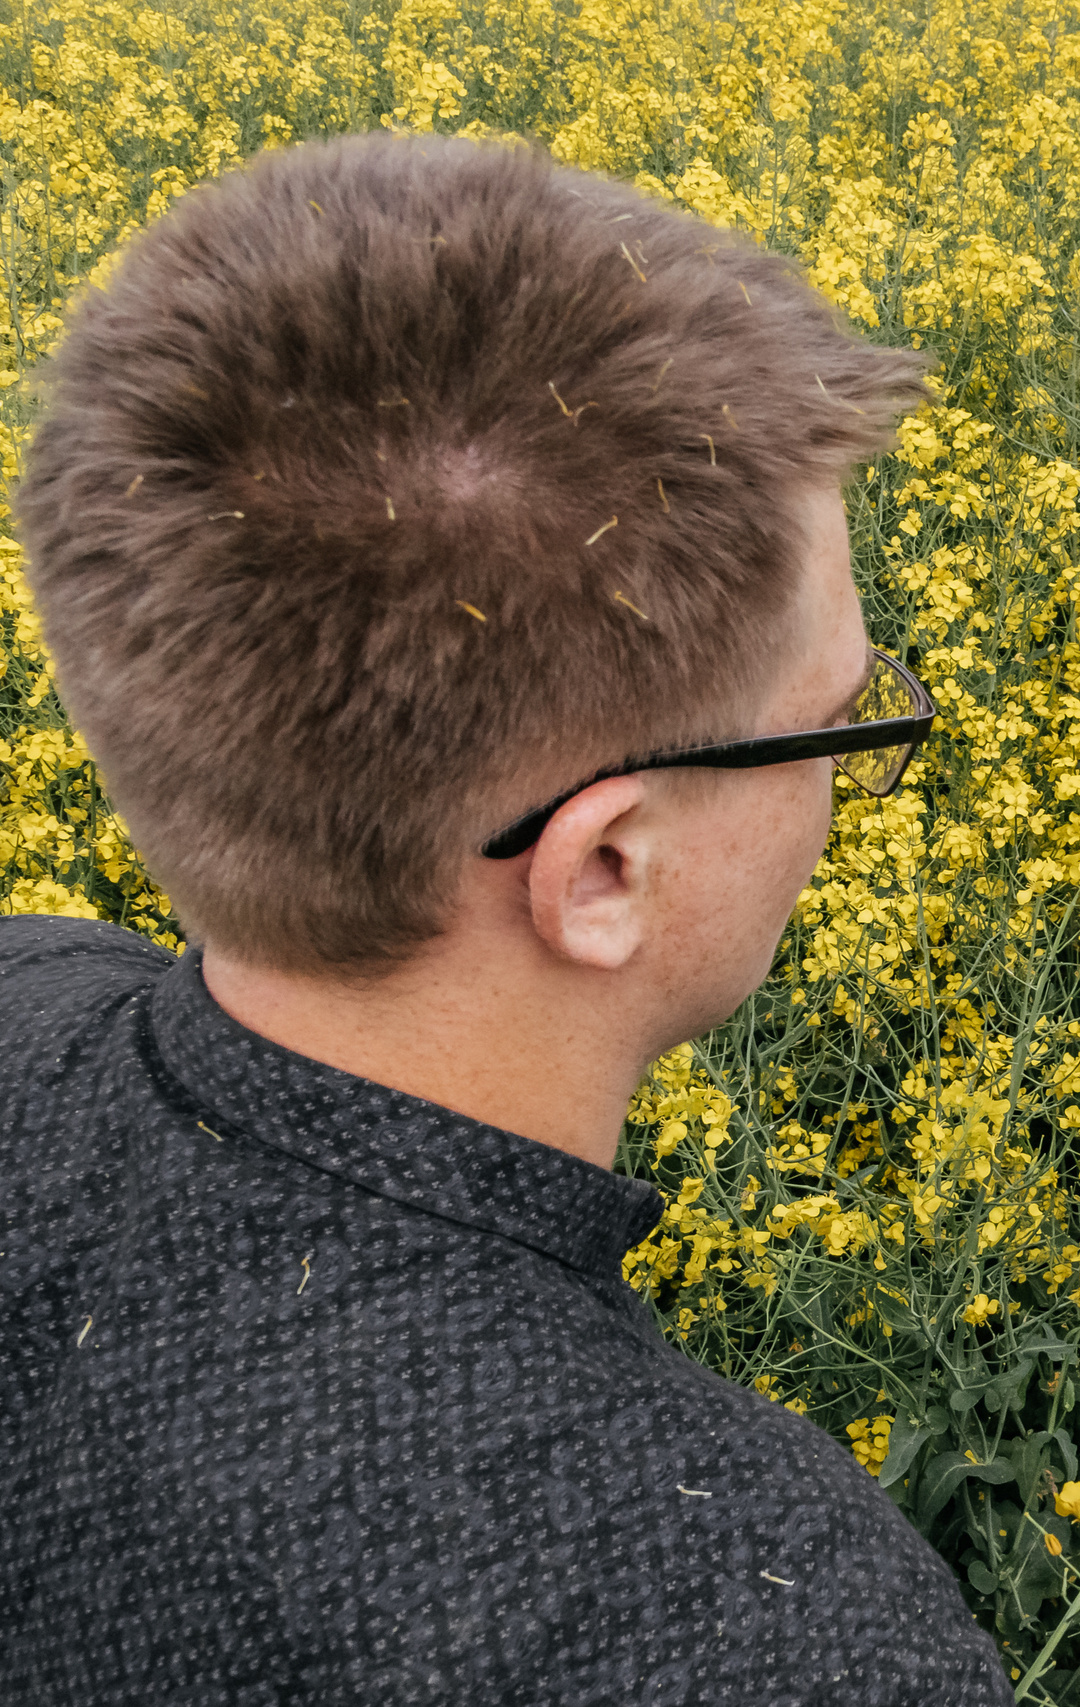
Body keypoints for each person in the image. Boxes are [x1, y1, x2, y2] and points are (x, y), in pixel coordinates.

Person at [0, 134, 1008, 1704]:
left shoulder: (22, 983)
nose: (847, 771)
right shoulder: (772, 1634)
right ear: (603, 871)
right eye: (843, 721)